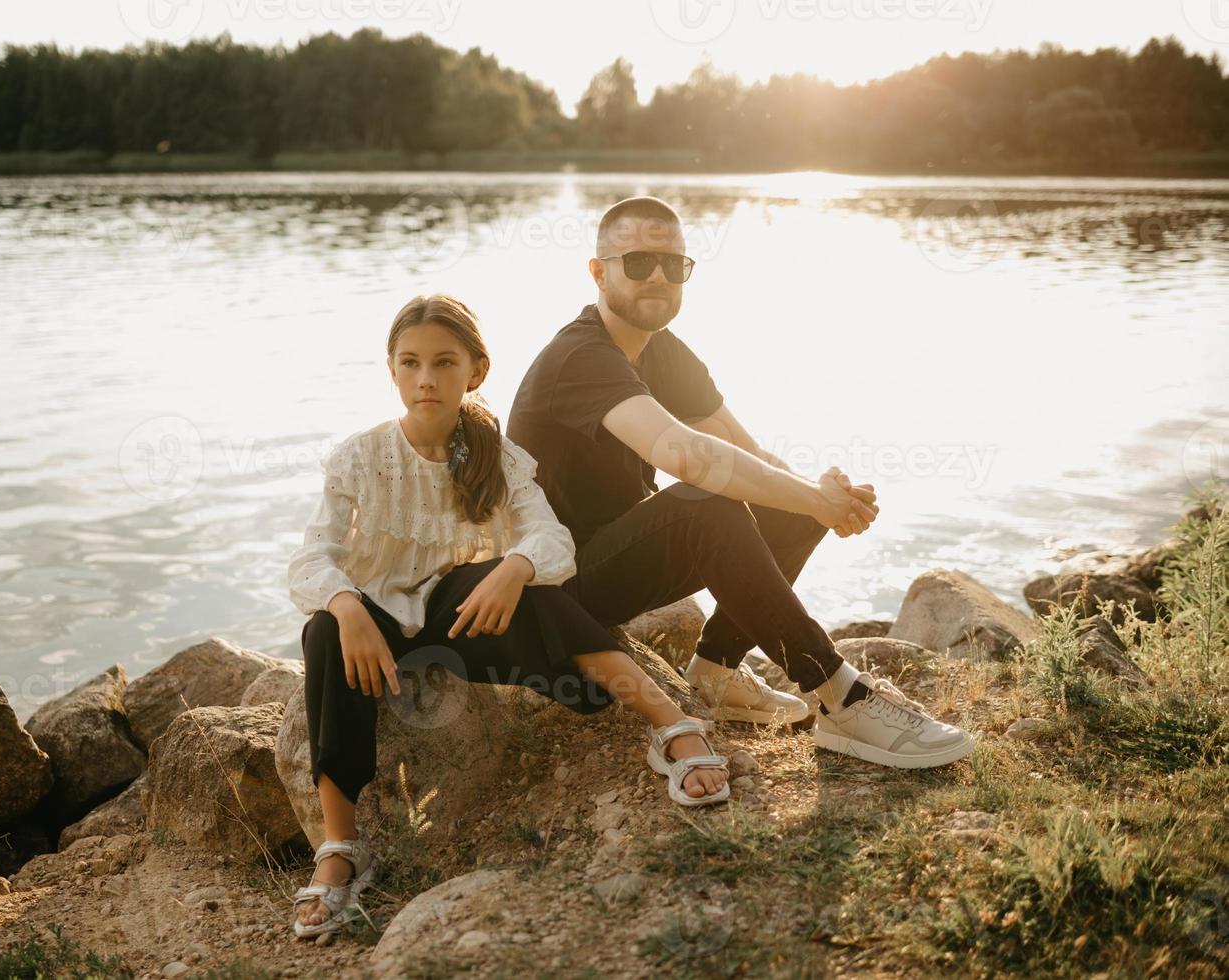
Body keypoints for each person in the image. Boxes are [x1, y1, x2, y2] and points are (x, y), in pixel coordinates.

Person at [284, 293, 733, 940]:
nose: (425, 378)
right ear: (391, 370)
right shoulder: (359, 458)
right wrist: (346, 602)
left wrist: (514, 568)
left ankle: (672, 725)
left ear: (476, 370)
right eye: (409, 363)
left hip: (463, 623)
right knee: (323, 629)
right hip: (376, 626)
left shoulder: (499, 456)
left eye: (443, 362)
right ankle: (339, 849)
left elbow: (551, 541)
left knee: (538, 593)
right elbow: (312, 558)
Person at [507, 196, 976, 770]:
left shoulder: (661, 349)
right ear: (598, 271)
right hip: (557, 582)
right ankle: (835, 694)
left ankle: (716, 675)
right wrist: (815, 498)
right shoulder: (579, 356)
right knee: (711, 504)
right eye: (637, 262)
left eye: (673, 264)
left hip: (618, 557)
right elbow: (689, 458)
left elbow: (745, 452)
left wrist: (821, 497)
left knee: (781, 497)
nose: (658, 276)